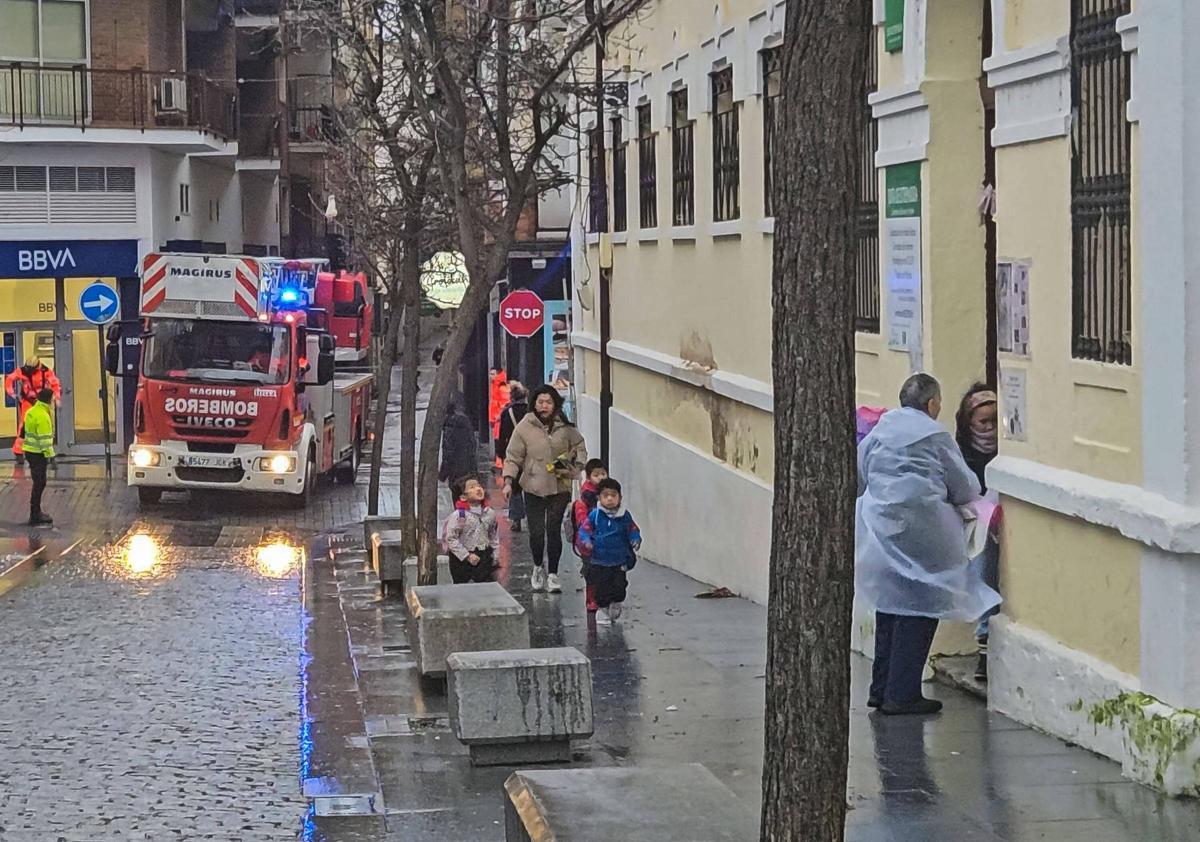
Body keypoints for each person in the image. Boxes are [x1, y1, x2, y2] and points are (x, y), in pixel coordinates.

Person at [856, 373, 1000, 716]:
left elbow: (861, 470)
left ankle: (882, 687)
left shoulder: (882, 429)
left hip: (879, 527)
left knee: (890, 606)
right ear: (932, 404)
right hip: (924, 532)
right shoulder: (935, 436)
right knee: (921, 606)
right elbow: (963, 486)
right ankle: (902, 694)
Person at [502, 384, 586, 594]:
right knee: (537, 533)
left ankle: (553, 574)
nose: (544, 406)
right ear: (534, 404)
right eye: (540, 402)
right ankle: (538, 566)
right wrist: (508, 481)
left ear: (555, 404)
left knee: (553, 530)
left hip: (559, 486)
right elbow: (513, 456)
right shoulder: (524, 427)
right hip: (533, 486)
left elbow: (579, 448)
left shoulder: (566, 428)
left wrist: (571, 467)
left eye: (548, 402)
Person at [955, 383, 1001, 681]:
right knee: (982, 564)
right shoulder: (959, 455)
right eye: (983, 422)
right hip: (974, 527)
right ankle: (984, 645)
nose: (990, 430)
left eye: (996, 421)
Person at [578, 478, 641, 625]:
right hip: (599, 559)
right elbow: (585, 529)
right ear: (599, 498)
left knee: (619, 585)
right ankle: (603, 609)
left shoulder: (624, 516)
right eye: (605, 495)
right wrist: (586, 541)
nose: (610, 499)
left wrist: (635, 539)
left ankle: (616, 601)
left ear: (620, 497)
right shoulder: (595, 515)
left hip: (619, 559)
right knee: (601, 586)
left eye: (613, 495)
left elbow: (632, 529)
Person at [443, 475, 500, 584]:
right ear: (463, 497)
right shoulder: (459, 516)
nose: (478, 489)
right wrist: (466, 555)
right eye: (472, 487)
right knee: (464, 590)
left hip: (484, 556)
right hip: (462, 561)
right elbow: (451, 538)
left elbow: (493, 535)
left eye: (479, 486)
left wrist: (495, 555)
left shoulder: (489, 513)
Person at [5, 356, 61, 464]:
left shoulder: (46, 371)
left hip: (42, 402)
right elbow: (9, 379)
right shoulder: (22, 371)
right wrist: (12, 394)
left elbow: (55, 384)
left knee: (46, 426)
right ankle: (18, 451)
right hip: (28, 401)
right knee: (24, 426)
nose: (28, 371)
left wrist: (57, 398)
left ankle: (46, 451)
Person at [572, 459, 609, 612]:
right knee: (591, 570)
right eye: (596, 475)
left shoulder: (609, 494)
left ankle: (603, 597)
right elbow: (582, 520)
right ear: (588, 477)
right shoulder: (585, 499)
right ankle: (591, 598)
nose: (601, 477)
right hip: (589, 542)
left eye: (603, 474)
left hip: (606, 540)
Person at [496, 383, 529, 531]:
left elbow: (502, 435)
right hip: (530, 453)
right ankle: (533, 517)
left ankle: (516, 520)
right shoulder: (531, 412)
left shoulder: (507, 413)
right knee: (530, 485)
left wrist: (502, 455)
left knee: (515, 487)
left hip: (514, 453)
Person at [23, 388, 56, 526]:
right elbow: (44, 440)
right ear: (48, 399)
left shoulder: (32, 411)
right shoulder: (43, 415)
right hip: (38, 454)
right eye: (53, 399)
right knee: (40, 483)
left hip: (30, 451)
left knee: (38, 482)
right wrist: (51, 457)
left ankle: (35, 512)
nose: (54, 401)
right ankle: (35, 514)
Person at [439, 401, 478, 484]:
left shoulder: (449, 429)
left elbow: (448, 455)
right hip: (468, 469)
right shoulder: (466, 423)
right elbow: (473, 446)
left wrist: (443, 475)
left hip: (455, 473)